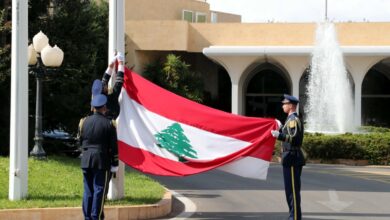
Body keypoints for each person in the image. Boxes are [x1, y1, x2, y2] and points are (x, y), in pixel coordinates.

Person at [79, 93, 119, 220]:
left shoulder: (83, 122)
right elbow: (113, 147)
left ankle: (87, 217)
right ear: (104, 107)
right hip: (101, 160)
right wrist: (115, 163)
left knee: (88, 190)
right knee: (99, 190)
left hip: (86, 159)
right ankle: (95, 216)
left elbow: (80, 142)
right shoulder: (109, 124)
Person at [271, 94, 305, 220]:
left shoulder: (293, 120)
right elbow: (290, 134)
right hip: (289, 157)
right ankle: (293, 215)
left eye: (284, 104)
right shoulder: (289, 120)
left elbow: (295, 139)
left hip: (292, 157)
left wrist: (279, 135)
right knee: (290, 191)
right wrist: (281, 130)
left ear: (291, 106)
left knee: (292, 192)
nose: (283, 105)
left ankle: (295, 217)